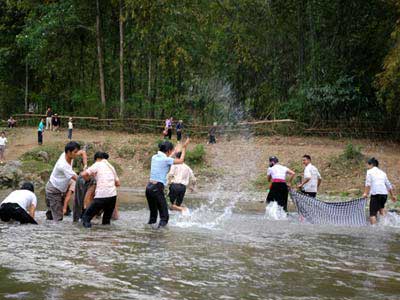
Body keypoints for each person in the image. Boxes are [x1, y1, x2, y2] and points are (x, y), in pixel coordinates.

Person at [146, 138, 190, 228]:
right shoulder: (166, 160)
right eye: (171, 151)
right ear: (169, 150)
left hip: (149, 188)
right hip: (157, 188)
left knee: (153, 216)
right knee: (164, 217)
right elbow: (181, 161)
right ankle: (160, 237)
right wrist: (184, 148)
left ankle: (149, 235)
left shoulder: (154, 157)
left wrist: (174, 151)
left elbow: (167, 158)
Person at [45, 141, 87, 221]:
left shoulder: (68, 155)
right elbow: (78, 179)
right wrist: (88, 176)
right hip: (54, 191)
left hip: (57, 189)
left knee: (51, 217)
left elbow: (83, 153)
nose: (76, 154)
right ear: (68, 152)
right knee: (58, 219)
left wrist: (85, 166)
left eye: (77, 152)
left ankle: (48, 231)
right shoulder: (63, 165)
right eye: (75, 152)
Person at [81, 152, 120, 228]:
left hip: (101, 196)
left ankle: (87, 235)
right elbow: (118, 184)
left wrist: (88, 180)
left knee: (86, 218)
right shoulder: (111, 167)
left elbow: (83, 174)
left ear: (97, 159)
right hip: (112, 197)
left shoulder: (97, 164)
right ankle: (104, 237)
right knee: (106, 221)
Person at [362, 157, 396, 225]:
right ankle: (385, 225)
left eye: (368, 165)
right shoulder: (383, 173)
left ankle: (374, 230)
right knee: (381, 209)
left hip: (376, 194)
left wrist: (365, 193)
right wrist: (392, 195)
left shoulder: (369, 172)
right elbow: (388, 185)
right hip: (384, 195)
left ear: (371, 164)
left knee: (372, 214)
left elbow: (368, 183)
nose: (367, 167)